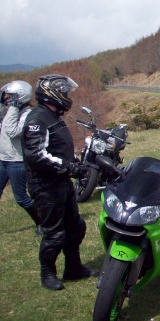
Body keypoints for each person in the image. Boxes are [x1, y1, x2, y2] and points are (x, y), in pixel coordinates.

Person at [22, 74, 97, 291]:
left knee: (76, 227)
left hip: (61, 183)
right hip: (45, 186)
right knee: (54, 234)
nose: (66, 96)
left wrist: (75, 162)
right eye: (63, 92)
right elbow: (37, 154)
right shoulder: (37, 119)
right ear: (52, 94)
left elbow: (58, 149)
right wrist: (69, 167)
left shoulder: (54, 116)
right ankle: (48, 273)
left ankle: (73, 269)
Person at [0, 81, 42, 234]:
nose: (9, 100)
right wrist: (2, 105)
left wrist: (12, 108)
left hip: (16, 161)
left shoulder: (27, 115)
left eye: (12, 97)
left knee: (21, 198)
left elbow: (11, 131)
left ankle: (41, 222)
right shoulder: (11, 111)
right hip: (2, 159)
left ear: (21, 97)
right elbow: (2, 124)